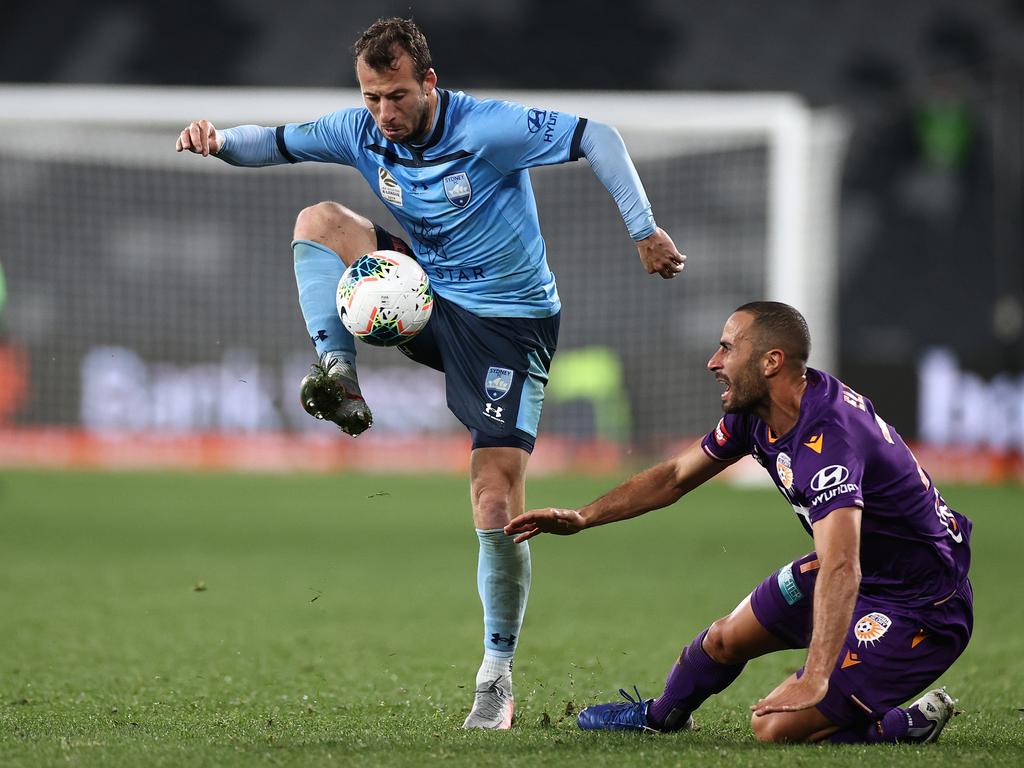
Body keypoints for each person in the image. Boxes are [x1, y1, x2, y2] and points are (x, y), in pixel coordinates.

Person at [176, 17, 685, 729]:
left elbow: (598, 135)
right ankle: (339, 377)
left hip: (509, 328)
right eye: (372, 97)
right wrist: (218, 140)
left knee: (493, 498)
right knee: (319, 219)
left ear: (430, 84)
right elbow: (276, 142)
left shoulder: (489, 128)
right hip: (428, 299)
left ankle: (496, 676)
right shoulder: (361, 130)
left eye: (397, 96)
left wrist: (643, 228)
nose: (384, 113)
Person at [506, 301, 972, 744]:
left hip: (922, 604)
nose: (714, 361)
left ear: (771, 361)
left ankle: (900, 725)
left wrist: (815, 674)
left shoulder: (830, 439)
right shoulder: (758, 415)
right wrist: (584, 516)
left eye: (728, 347)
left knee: (771, 727)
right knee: (724, 639)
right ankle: (659, 716)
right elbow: (673, 477)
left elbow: (840, 565)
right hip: (858, 569)